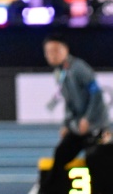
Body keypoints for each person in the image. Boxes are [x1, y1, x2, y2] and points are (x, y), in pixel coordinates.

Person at [39, 34, 109, 194]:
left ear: (66, 50)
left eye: (56, 50)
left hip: (97, 127)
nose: (52, 55)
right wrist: (66, 124)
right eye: (48, 52)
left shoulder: (79, 68)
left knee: (95, 161)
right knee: (61, 153)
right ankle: (46, 190)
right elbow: (69, 102)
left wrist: (87, 119)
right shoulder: (59, 73)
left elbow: (96, 94)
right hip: (78, 128)